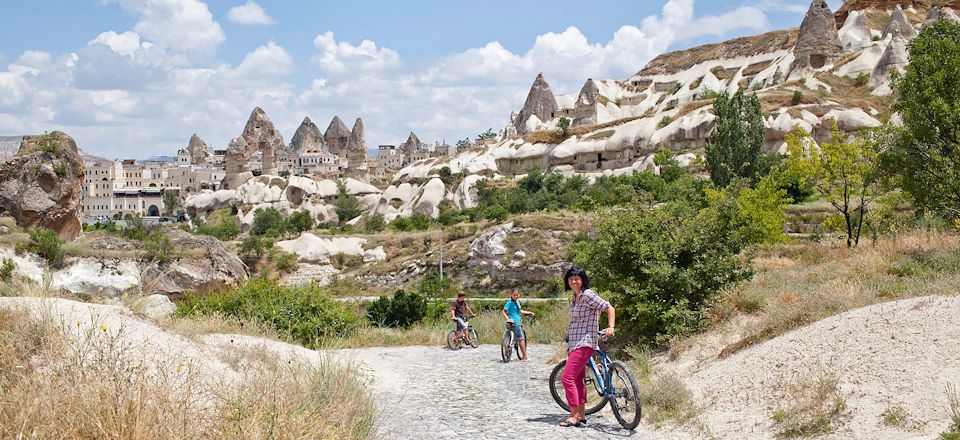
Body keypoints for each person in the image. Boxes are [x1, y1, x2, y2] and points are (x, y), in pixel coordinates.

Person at [559, 266, 615, 428]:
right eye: (570, 279)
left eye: (577, 279)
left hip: (585, 342)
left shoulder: (588, 295)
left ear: (583, 280)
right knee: (577, 378)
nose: (574, 282)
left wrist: (611, 327)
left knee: (566, 378)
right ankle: (581, 415)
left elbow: (608, 307)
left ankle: (573, 416)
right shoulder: (575, 297)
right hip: (575, 343)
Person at [501, 288, 535, 360]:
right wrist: (508, 319)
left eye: (517, 295)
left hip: (516, 322)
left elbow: (519, 311)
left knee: (514, 338)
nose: (516, 296)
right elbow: (503, 311)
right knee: (521, 339)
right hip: (514, 323)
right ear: (511, 295)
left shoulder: (517, 302)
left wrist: (529, 312)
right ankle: (525, 356)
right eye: (514, 295)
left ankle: (508, 351)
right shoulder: (509, 303)